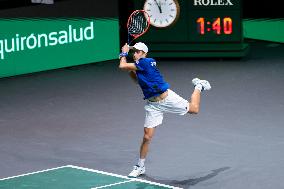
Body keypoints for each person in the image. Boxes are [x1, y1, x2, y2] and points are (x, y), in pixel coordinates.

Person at [118, 42, 211, 178]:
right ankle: (140, 166)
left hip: (167, 99)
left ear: (144, 53)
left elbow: (122, 65)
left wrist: (123, 53)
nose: (135, 53)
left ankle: (199, 86)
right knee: (146, 137)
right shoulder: (139, 67)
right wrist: (131, 71)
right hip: (153, 105)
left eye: (137, 51)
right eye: (134, 51)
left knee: (194, 109)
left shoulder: (146, 62)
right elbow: (137, 81)